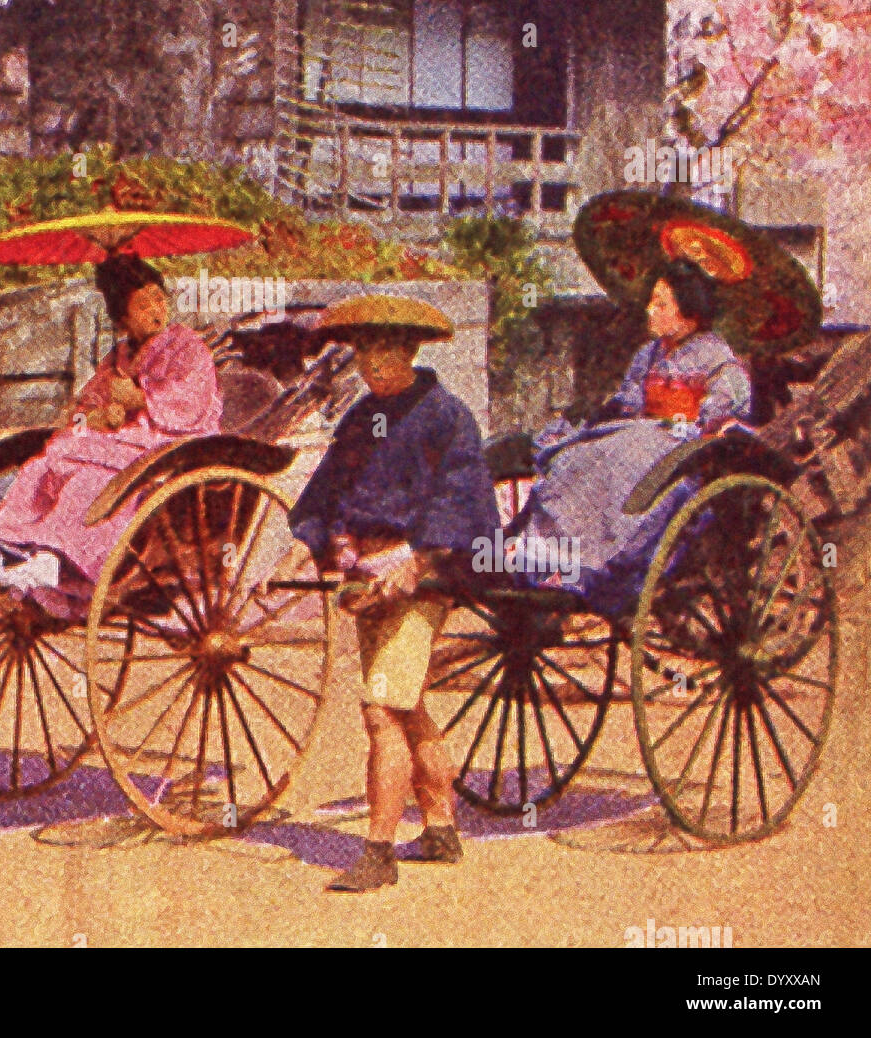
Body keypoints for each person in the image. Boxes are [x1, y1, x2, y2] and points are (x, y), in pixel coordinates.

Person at [287, 295, 500, 893]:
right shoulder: (362, 418)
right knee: (408, 707)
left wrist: (416, 559)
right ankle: (440, 830)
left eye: (386, 349)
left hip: (421, 578)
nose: (374, 363)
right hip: (366, 576)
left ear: (409, 351)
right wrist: (337, 543)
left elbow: (461, 500)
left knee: (381, 710)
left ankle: (377, 853)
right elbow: (328, 488)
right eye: (364, 351)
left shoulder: (444, 415)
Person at [0, 254, 222, 610]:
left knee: (89, 478)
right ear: (122, 318)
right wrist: (98, 417)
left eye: (158, 298)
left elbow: (191, 401)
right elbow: (81, 410)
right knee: (45, 462)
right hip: (122, 441)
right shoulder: (119, 357)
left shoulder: (188, 347)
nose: (155, 309)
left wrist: (141, 398)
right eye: (141, 304)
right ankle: (1, 546)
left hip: (173, 443)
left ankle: (57, 557)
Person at [516, 259, 752, 618]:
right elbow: (629, 406)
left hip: (682, 449)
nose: (650, 311)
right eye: (651, 302)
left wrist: (697, 424)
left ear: (689, 315)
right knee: (576, 458)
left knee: (624, 461)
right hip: (640, 435)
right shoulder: (648, 354)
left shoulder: (717, 356)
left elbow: (724, 407)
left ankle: (599, 569)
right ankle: (552, 561)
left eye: (661, 304)